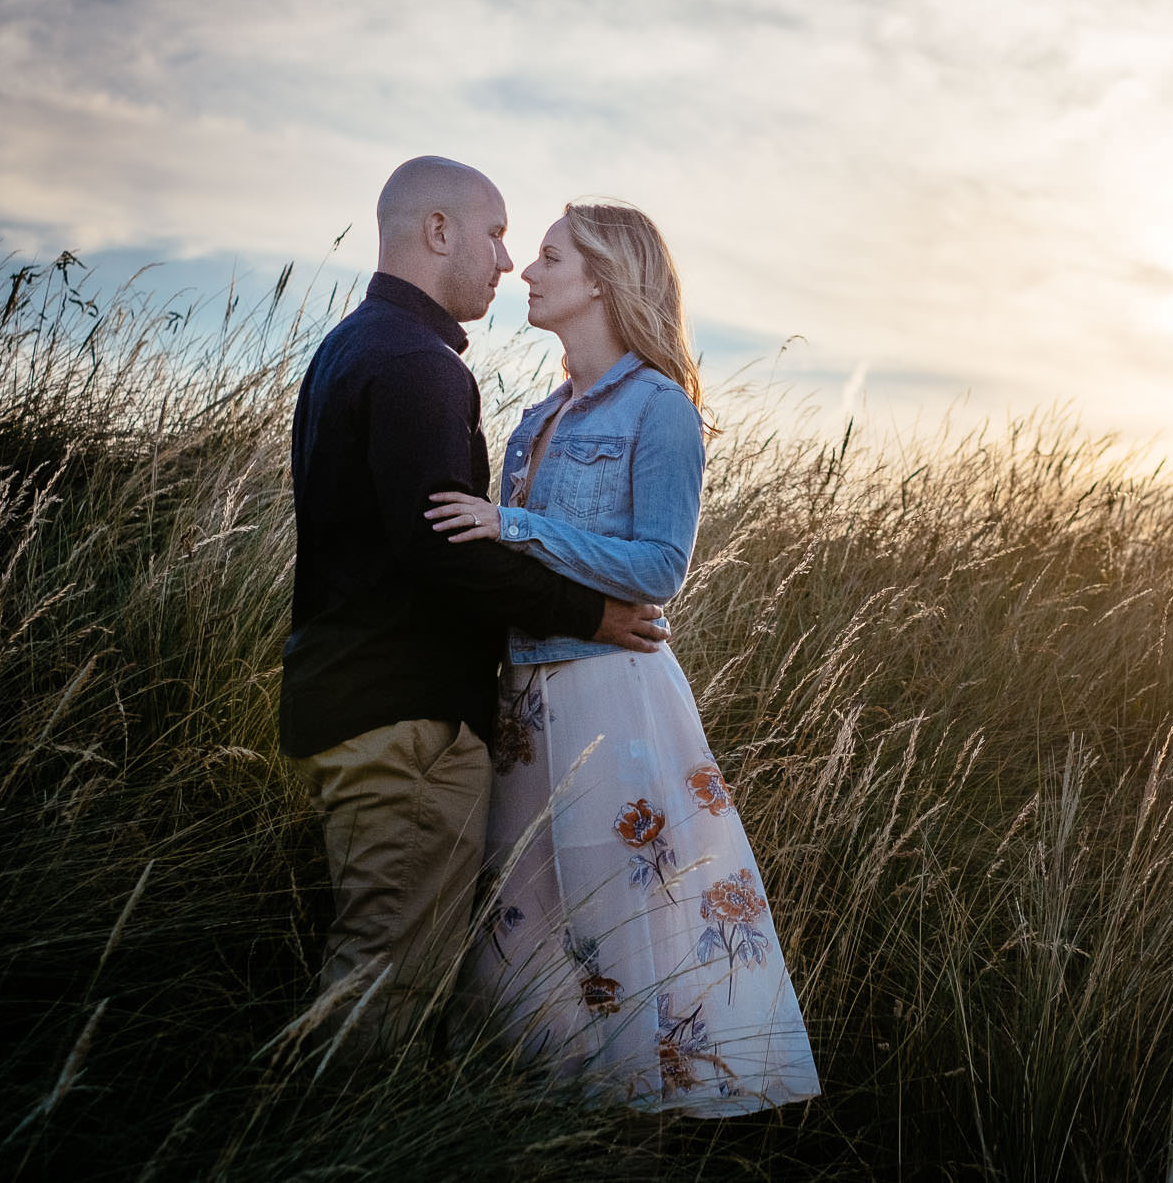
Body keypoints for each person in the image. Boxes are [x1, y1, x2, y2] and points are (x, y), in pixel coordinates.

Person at [425, 200, 820, 1115]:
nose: (526, 268)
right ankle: (543, 1103)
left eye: (551, 256)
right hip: (523, 695)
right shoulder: (535, 416)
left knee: (624, 900)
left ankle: (655, 1109)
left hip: (611, 689)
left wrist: (514, 523)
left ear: (602, 278)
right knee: (521, 906)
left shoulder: (662, 407)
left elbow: (659, 567)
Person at [280, 156, 670, 1066]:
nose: (506, 262)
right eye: (496, 235)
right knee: (388, 973)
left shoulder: (355, 345)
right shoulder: (418, 364)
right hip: (404, 715)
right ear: (437, 230)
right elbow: (441, 548)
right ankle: (324, 1138)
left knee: (383, 956)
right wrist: (590, 613)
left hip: (359, 704)